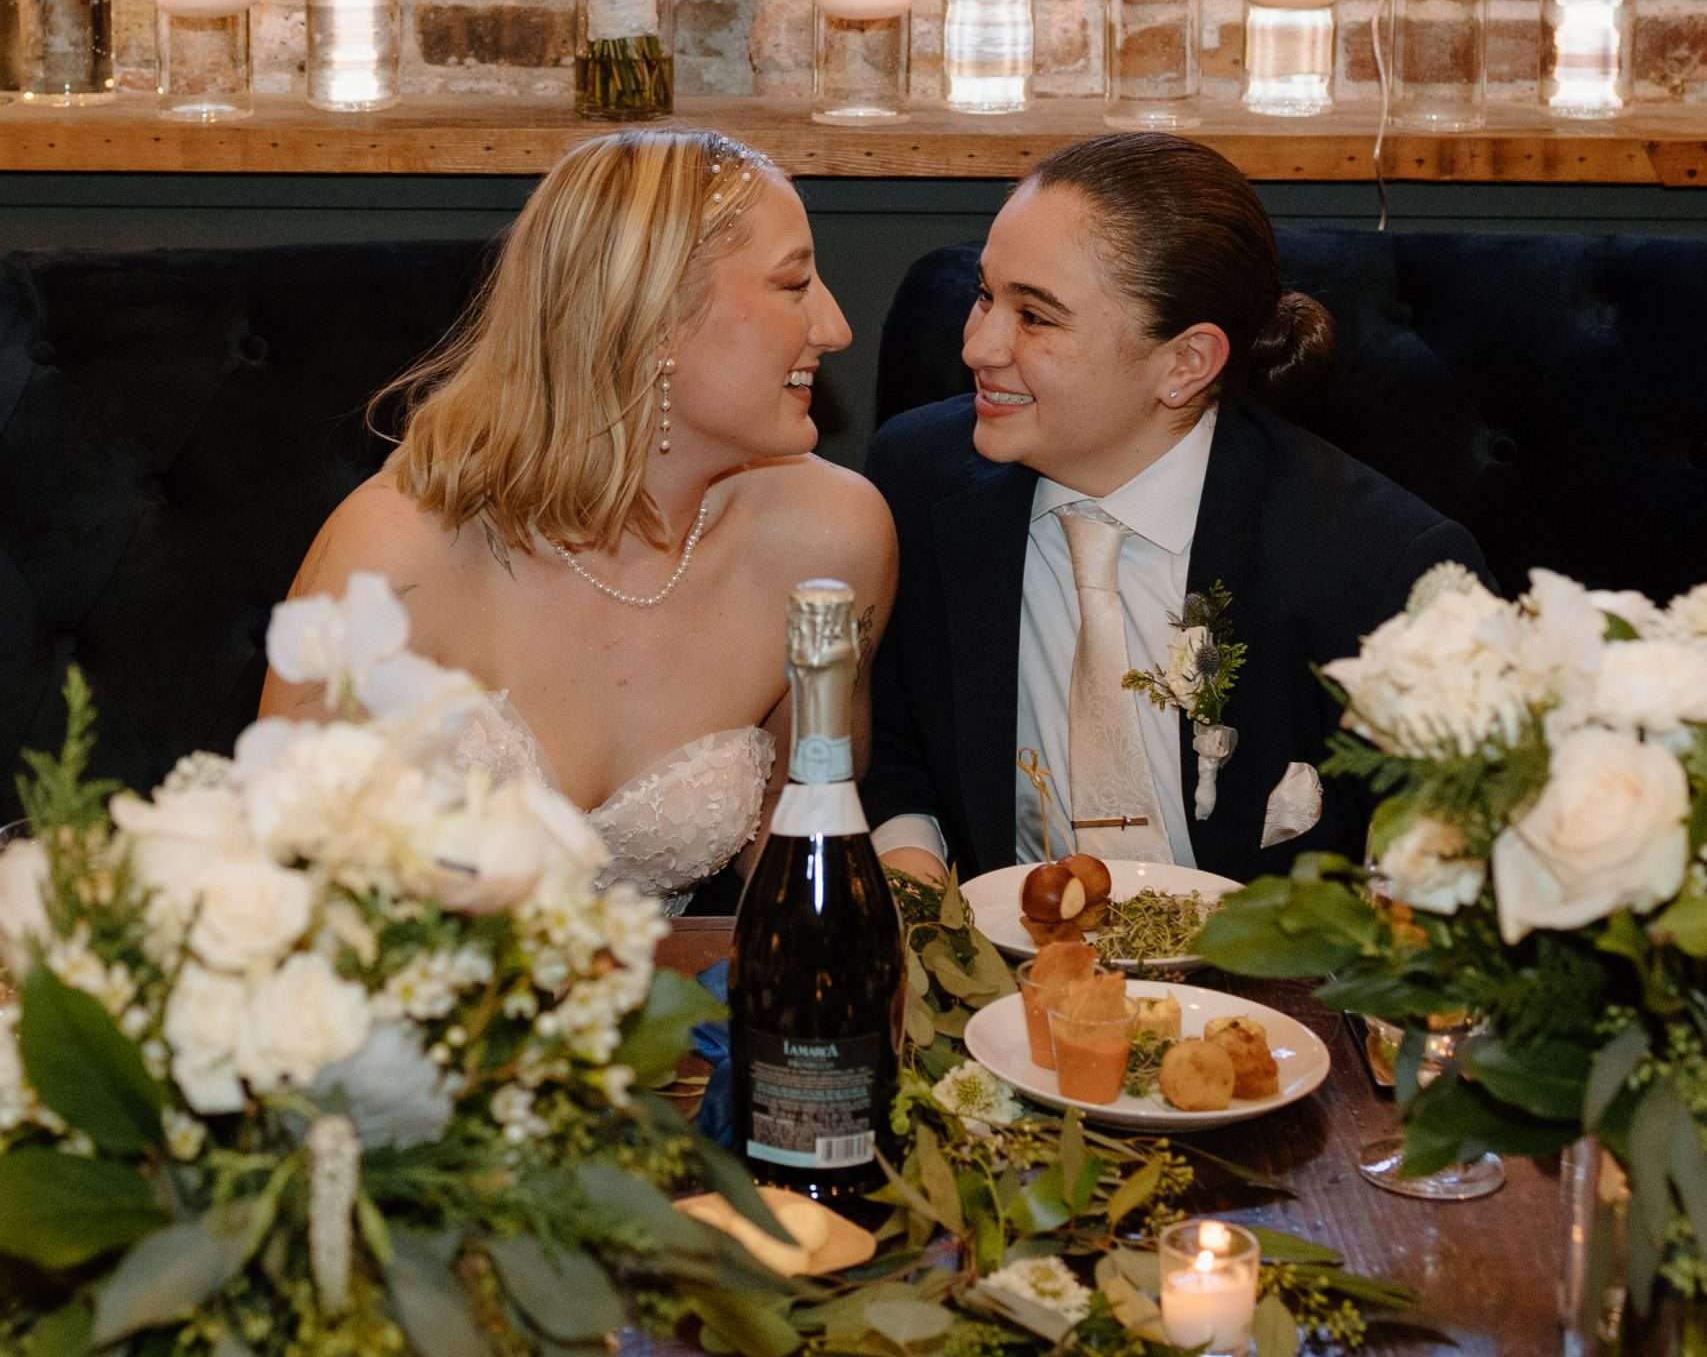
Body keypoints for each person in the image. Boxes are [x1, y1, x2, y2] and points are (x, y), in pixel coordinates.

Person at [261, 129, 896, 907]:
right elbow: (283, 870)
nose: (834, 328)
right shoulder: (396, 554)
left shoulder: (832, 539)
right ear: (657, 317)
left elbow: (797, 819)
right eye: (793, 286)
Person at [863, 133, 1491, 888]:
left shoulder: (1376, 567)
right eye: (984, 294)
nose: (979, 345)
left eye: (1035, 317)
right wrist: (916, 881)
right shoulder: (918, 480)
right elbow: (895, 748)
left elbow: (1435, 871)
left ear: (1185, 363)